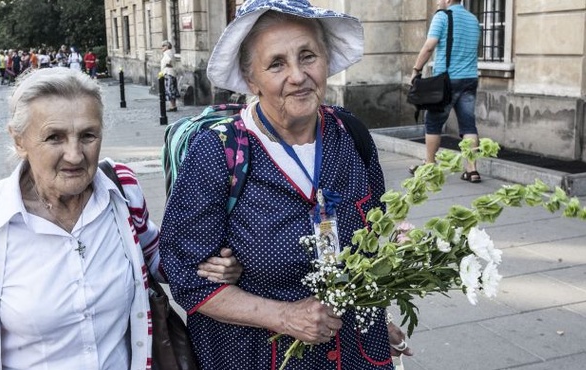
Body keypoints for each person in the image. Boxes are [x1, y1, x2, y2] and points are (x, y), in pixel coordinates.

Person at [159, 0, 413, 369]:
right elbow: (190, 279)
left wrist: (374, 317)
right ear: (251, 79)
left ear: (325, 60)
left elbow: (371, 239)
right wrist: (284, 316)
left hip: (354, 352)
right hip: (257, 356)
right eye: (276, 63)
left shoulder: (350, 134)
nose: (297, 75)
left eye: (307, 56)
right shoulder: (219, 151)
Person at [0, 67, 241, 369]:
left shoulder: (121, 189)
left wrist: (212, 267)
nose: (75, 155)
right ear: (19, 140)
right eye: (54, 137)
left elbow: (157, 259)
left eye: (88, 135)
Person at [410, 0, 481, 183]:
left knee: (433, 122)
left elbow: (429, 46)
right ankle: (472, 169)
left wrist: (416, 69)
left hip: (447, 81)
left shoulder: (442, 17)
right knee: (468, 125)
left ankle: (430, 165)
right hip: (470, 78)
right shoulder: (473, 19)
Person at [160, 40, 179, 112]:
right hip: (171, 73)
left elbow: (169, 60)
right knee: (172, 89)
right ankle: (173, 105)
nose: (161, 48)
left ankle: (172, 106)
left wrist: (168, 64)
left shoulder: (167, 53)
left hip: (168, 72)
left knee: (169, 89)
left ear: (167, 46)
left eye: (163, 46)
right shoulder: (170, 52)